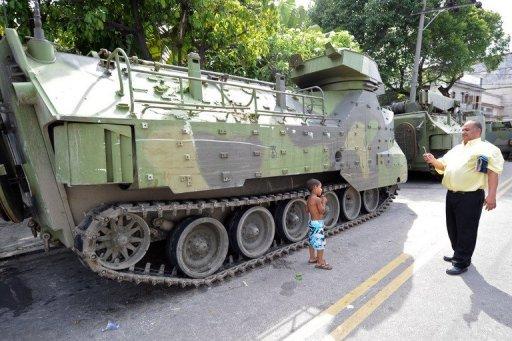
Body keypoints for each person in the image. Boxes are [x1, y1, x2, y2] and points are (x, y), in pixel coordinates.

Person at [423, 120, 504, 275]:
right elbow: (443, 165)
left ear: (477, 131)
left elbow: (492, 172)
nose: (463, 131)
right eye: (463, 129)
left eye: (467, 129)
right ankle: (458, 253)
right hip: (452, 195)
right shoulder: (457, 149)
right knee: (453, 227)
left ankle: (461, 261)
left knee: (466, 229)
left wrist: (492, 195)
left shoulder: (486, 149)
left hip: (471, 196)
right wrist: (433, 161)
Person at [306, 178, 332, 270]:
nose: (321, 189)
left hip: (312, 222)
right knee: (320, 243)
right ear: (315, 187)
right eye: (320, 187)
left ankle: (312, 258)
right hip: (318, 224)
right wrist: (323, 202)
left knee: (312, 240)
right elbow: (322, 211)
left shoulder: (309, 198)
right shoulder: (317, 199)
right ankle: (320, 262)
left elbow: (307, 210)